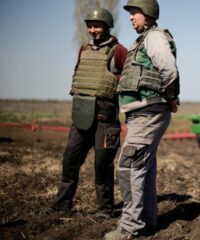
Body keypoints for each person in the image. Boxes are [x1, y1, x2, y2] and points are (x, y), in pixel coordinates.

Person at [104, 0, 180, 238]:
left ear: (147, 14)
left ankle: (130, 227)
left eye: (134, 12)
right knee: (143, 168)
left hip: (149, 110)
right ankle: (147, 221)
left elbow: (169, 69)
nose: (130, 17)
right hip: (143, 111)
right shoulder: (143, 40)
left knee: (129, 166)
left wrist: (172, 97)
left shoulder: (154, 38)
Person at [44, 8, 127, 220]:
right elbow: (79, 75)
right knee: (69, 160)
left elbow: (129, 80)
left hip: (104, 121)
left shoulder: (118, 51)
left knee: (102, 165)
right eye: (90, 26)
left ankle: (105, 210)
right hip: (81, 117)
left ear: (107, 27)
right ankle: (62, 205)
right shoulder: (83, 49)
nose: (92, 30)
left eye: (97, 26)